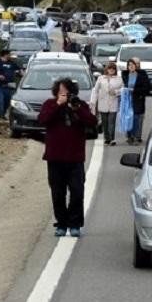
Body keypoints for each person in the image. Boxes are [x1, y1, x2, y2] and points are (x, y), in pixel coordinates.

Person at [37, 78, 97, 237]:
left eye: (67, 91)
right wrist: (58, 104)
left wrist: (77, 108)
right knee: (58, 193)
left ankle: (75, 223)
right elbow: (43, 120)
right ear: (56, 92)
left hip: (75, 157)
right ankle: (61, 223)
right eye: (61, 91)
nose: (64, 94)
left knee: (77, 191)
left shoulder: (79, 105)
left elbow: (92, 122)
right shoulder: (49, 104)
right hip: (55, 157)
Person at [89, 62, 123, 146]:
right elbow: (95, 90)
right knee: (105, 123)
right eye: (109, 68)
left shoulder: (119, 79)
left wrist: (116, 92)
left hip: (113, 103)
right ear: (107, 69)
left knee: (111, 122)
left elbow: (123, 89)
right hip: (103, 103)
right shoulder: (101, 78)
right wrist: (93, 101)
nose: (111, 70)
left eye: (113, 69)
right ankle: (107, 138)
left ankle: (112, 139)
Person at [121, 58, 150, 145]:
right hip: (127, 99)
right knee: (128, 117)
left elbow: (146, 89)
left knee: (136, 118)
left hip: (138, 99)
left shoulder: (142, 75)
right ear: (127, 67)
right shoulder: (125, 75)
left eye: (133, 65)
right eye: (129, 65)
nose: (131, 67)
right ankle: (130, 136)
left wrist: (135, 90)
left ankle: (136, 136)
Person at [0, 49, 21, 119]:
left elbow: (19, 68)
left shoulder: (11, 62)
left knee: (7, 103)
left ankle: (3, 114)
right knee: (0, 102)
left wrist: (21, 72)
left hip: (9, 86)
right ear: (5, 54)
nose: (10, 55)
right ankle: (0, 116)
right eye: (9, 54)